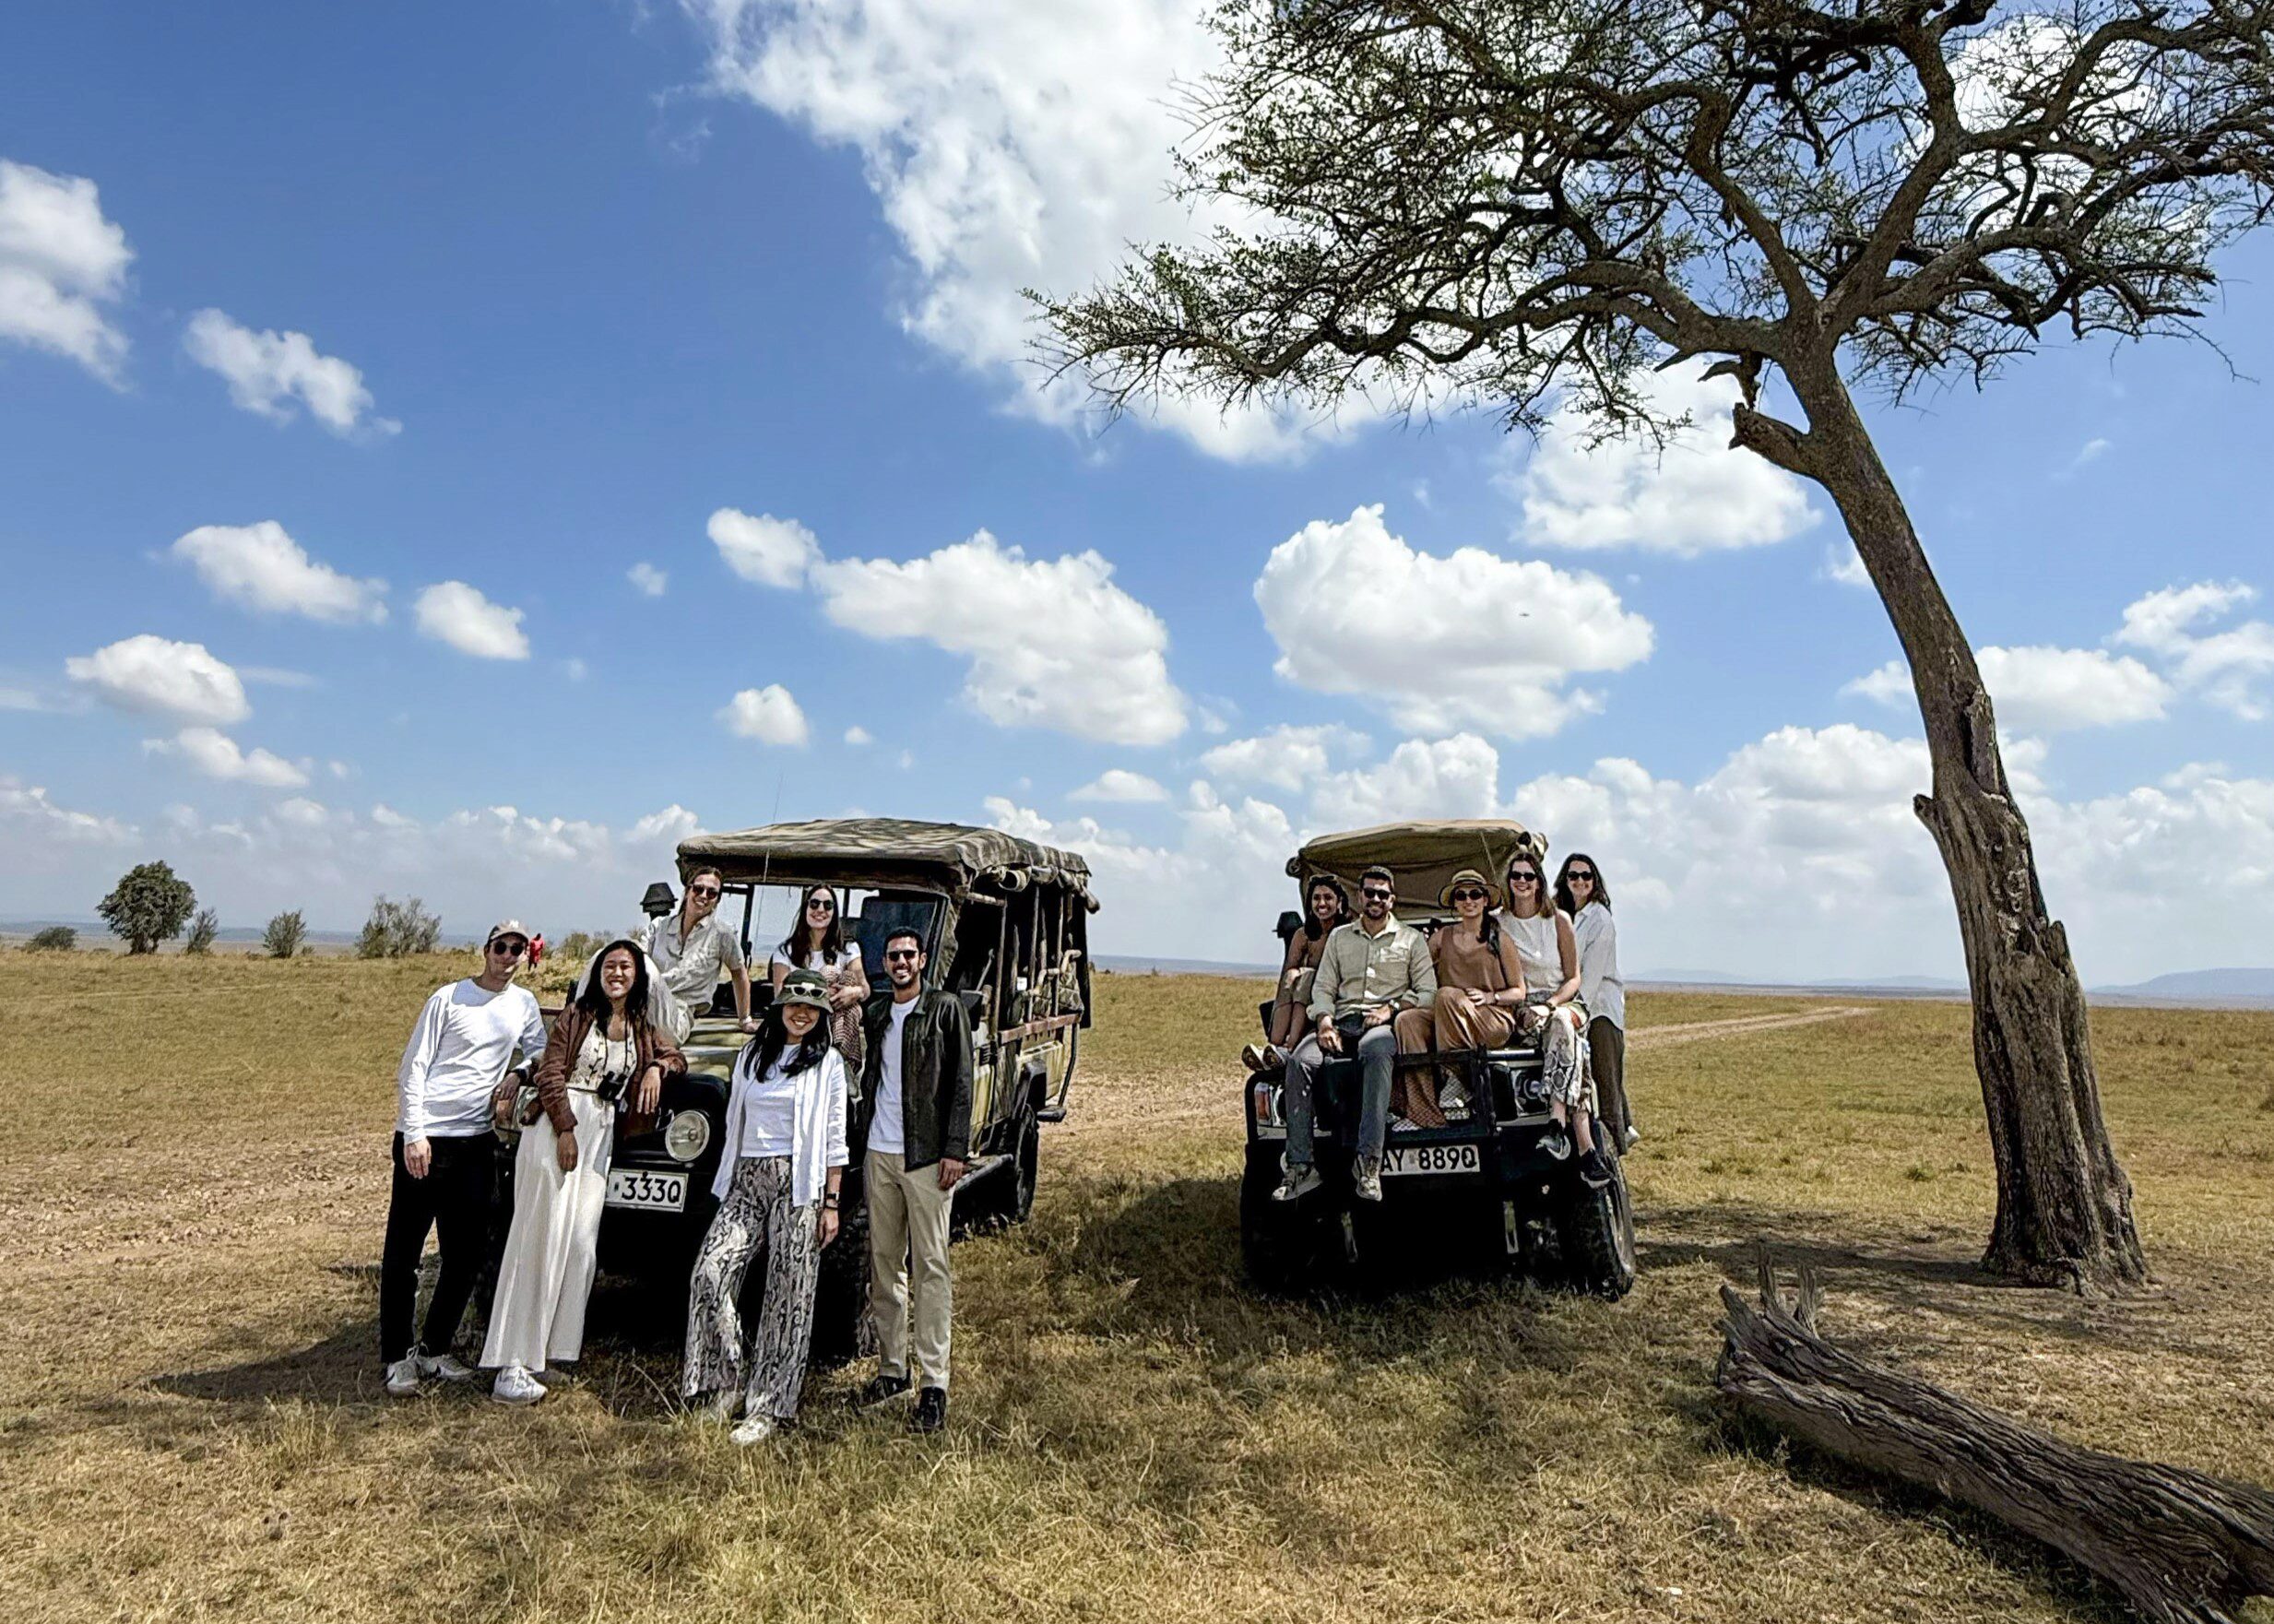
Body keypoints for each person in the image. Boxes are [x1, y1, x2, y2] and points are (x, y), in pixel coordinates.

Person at [480, 940, 685, 1404]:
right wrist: (565, 1128)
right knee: (539, 1239)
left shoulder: (638, 1025)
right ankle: (510, 1362)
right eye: (610, 966)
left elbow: (677, 1058)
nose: (617, 974)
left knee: (578, 1245)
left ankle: (549, 1352)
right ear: (598, 973)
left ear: (638, 978)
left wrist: (655, 1068)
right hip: (559, 1126)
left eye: (626, 968)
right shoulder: (577, 1016)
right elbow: (551, 1071)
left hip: (601, 1135)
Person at [380, 919, 547, 1397]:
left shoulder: (523, 1004)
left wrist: (517, 1071)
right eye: (501, 946)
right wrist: (415, 1133)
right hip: (428, 1139)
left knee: (466, 1253)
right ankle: (396, 1357)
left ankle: (434, 1348)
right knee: (404, 1254)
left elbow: (540, 1050)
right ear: (486, 949)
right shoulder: (448, 998)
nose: (508, 955)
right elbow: (413, 1066)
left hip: (476, 1141)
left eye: (517, 948)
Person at [681, 970, 847, 1443]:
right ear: (779, 1007)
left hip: (799, 1183)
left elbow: (835, 1140)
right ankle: (724, 1381)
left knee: (788, 1293)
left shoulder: (829, 1064)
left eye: (812, 1008)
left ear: (821, 1016)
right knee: (710, 1271)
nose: (802, 1013)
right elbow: (735, 1118)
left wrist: (830, 1203)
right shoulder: (753, 1055)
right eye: (794, 1003)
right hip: (746, 1180)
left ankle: (770, 1405)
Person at [854, 926, 973, 1434]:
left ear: (922, 960)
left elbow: (962, 1084)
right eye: (894, 956)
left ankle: (934, 1382)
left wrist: (954, 1150)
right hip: (878, 1155)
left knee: (931, 1267)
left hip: (925, 1158)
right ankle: (891, 1368)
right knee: (884, 1265)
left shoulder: (945, 1010)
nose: (901, 963)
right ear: (885, 962)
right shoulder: (878, 1013)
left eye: (909, 955)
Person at [1275, 865, 1437, 1204]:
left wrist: (1390, 1009)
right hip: (1340, 1019)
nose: (1375, 899)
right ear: (1360, 896)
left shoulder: (1411, 940)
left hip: (1381, 1024)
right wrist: (1323, 1022)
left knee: (1377, 1053)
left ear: (1392, 900)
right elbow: (1323, 988)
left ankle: (1369, 1163)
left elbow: (1427, 992)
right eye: (1369, 892)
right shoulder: (1340, 937)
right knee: (1300, 1061)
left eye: (1382, 893)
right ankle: (1301, 1166)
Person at [1501, 851, 1611, 1187]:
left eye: (1529, 876)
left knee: (1564, 1023)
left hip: (1562, 1000)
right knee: (1575, 1048)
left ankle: (1555, 1123)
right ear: (1508, 882)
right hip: (1523, 1005)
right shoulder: (1499, 922)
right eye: (1516, 876)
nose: (1522, 882)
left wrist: (1550, 1005)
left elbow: (1573, 978)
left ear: (1540, 881)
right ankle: (1585, 1148)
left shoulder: (1560, 920)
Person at [1392, 869, 1526, 1124]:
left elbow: (1519, 991)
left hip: (1491, 1018)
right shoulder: (1442, 937)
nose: (1469, 900)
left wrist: (1491, 997)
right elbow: (1419, 975)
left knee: (1447, 996)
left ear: (1485, 900)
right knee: (1407, 1021)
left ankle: (1456, 1080)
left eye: (1475, 894)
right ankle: (1424, 1113)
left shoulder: (1499, 939)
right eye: (1461, 895)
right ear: (1454, 902)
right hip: (1447, 1014)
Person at [1557, 852, 1632, 1150]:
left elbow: (1591, 977)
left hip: (1598, 1010)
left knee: (1605, 1082)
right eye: (1573, 875)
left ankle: (1613, 1152)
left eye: (1585, 876)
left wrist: (1573, 1012)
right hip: (1572, 1005)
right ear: (1565, 879)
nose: (1579, 881)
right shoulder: (1562, 915)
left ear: (1595, 880)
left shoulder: (1600, 919)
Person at [1241, 875, 1350, 1074]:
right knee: (1292, 979)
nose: (1322, 903)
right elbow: (1291, 966)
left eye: (1328, 898)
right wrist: (1292, 974)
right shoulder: (1303, 934)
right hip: (1303, 993)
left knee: (1307, 978)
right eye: (1317, 898)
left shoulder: (1346, 933)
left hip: (1333, 994)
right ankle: (1273, 1047)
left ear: (1339, 902)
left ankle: (1289, 1047)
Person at [642, 865, 756, 1041]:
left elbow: (739, 973)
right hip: (645, 1002)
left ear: (717, 900)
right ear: (688, 891)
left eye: (711, 893)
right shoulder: (658, 927)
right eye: (698, 889)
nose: (703, 896)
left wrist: (745, 1019)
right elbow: (634, 962)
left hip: (680, 1010)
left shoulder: (722, 935)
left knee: (658, 1036)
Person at [770, 883, 871, 1074]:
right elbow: (780, 994)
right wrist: (820, 994)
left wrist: (853, 992)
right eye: (814, 904)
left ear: (834, 912)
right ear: (805, 908)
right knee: (827, 974)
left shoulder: (848, 949)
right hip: (798, 1023)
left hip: (838, 1021)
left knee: (848, 978)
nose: (820, 910)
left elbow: (865, 989)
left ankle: (843, 1060)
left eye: (828, 905)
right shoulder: (785, 952)